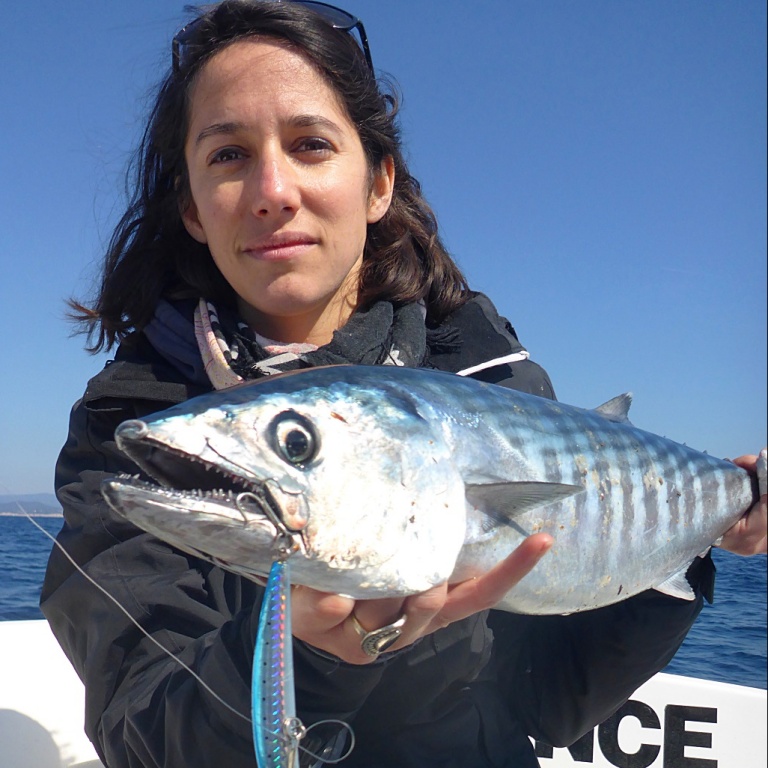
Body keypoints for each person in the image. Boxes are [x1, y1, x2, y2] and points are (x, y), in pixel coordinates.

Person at [40, 2, 767, 767]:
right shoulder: (136, 428)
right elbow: (140, 732)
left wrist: (695, 534)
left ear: (378, 182)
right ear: (191, 205)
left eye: (311, 144)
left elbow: (550, 700)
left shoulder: (502, 385)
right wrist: (311, 662)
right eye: (227, 155)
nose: (272, 190)